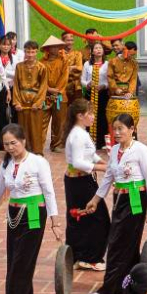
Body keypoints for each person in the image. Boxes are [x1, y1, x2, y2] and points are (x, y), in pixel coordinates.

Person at [0, 123, 62, 294]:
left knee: (20, 265)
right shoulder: (5, 164)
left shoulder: (38, 162)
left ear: (23, 140)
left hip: (34, 214)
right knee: (15, 263)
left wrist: (55, 221)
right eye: (6, 144)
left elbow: (49, 191)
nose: (10, 147)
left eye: (14, 143)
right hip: (14, 216)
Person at [86, 114, 147, 294]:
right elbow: (108, 176)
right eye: (114, 129)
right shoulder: (115, 149)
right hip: (119, 198)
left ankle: (107, 289)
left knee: (117, 243)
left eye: (120, 129)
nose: (116, 133)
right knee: (129, 245)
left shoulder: (141, 150)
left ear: (132, 129)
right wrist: (96, 199)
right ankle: (135, 286)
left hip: (136, 198)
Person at [63, 105, 109, 271]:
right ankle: (89, 257)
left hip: (81, 180)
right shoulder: (77, 135)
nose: (93, 117)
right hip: (79, 182)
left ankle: (79, 255)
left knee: (81, 219)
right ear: (79, 115)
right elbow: (77, 162)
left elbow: (89, 154)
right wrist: (102, 168)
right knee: (97, 218)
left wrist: (102, 161)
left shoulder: (81, 133)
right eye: (90, 114)